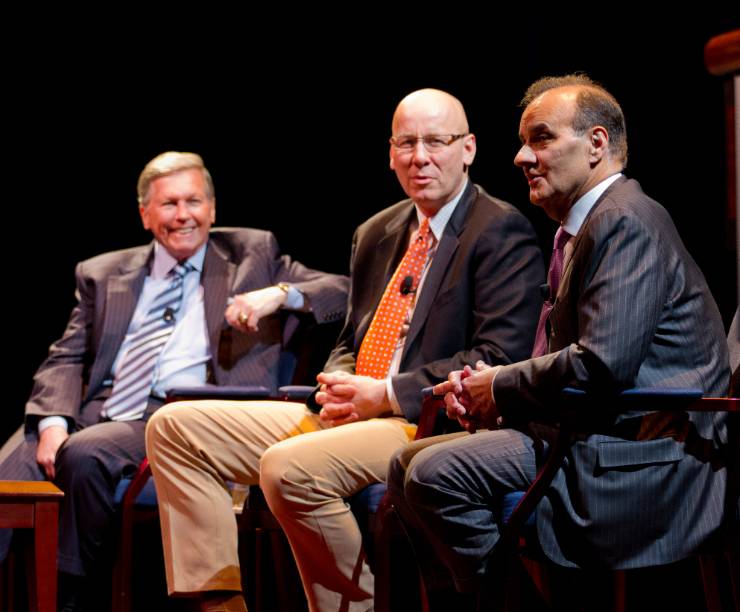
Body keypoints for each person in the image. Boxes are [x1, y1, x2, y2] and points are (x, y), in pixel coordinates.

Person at [144, 88, 544, 612]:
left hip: (425, 422)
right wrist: (338, 382)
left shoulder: (499, 230)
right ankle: (219, 604)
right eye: (407, 143)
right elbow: (351, 339)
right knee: (174, 428)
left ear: (468, 148)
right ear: (390, 153)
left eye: (436, 142)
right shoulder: (377, 231)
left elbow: (497, 356)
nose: (420, 156)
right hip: (352, 412)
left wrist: (383, 394)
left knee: (288, 468)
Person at [389, 74, 731, 599]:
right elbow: (571, 363)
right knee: (405, 465)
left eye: (541, 138)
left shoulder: (625, 221)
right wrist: (491, 395)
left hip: (643, 453)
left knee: (437, 474)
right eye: (525, 141)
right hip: (592, 430)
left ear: (596, 143)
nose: (521, 156)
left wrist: (499, 385)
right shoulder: (582, 227)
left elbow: (603, 364)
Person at [0, 151, 349, 610]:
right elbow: (66, 356)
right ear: (145, 214)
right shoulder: (102, 273)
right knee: (11, 471)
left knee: (85, 455)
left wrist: (278, 295)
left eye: (194, 202)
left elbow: (343, 291)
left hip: (183, 416)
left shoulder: (252, 254)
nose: (183, 215)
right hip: (97, 412)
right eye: (169, 204)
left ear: (213, 209)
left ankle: (63, 596)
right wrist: (52, 424)